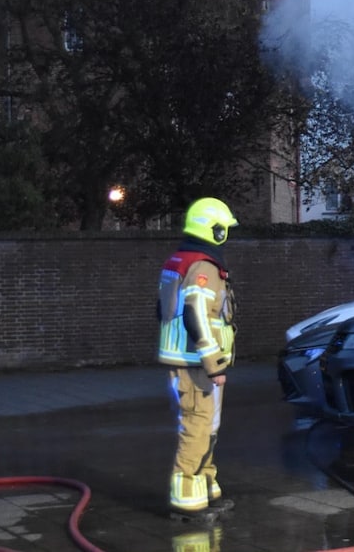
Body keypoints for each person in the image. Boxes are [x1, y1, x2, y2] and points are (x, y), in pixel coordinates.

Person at [157, 197, 239, 521]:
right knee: (197, 426)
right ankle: (186, 501)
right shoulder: (204, 266)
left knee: (207, 426)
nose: (226, 235)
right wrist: (214, 364)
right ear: (214, 230)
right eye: (224, 229)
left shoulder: (181, 260)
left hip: (189, 361)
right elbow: (196, 316)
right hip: (195, 364)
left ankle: (205, 488)